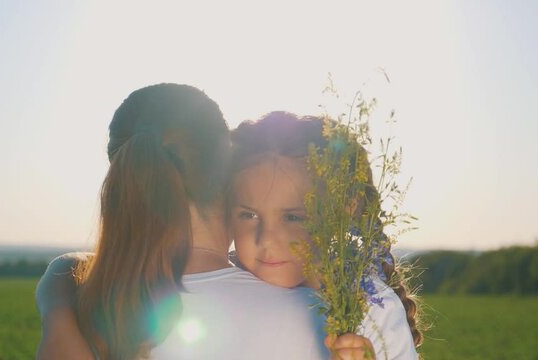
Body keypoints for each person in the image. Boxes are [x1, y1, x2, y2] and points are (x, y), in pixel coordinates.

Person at [36, 84, 340, 360]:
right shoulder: (322, 319)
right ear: (228, 169)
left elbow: (70, 268)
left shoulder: (89, 313)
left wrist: (56, 298)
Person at [228, 111, 422, 359]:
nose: (265, 239)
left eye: (293, 217)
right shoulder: (226, 291)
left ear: (343, 212)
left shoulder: (372, 309)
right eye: (249, 215)